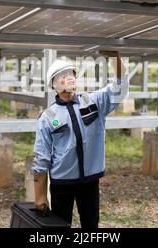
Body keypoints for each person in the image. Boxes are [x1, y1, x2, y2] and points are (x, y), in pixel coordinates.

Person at [32, 51, 128, 228]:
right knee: (59, 227)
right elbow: (41, 158)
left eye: (71, 74)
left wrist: (115, 57)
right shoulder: (47, 116)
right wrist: (40, 195)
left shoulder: (93, 101)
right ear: (54, 84)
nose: (69, 78)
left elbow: (120, 88)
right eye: (63, 76)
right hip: (61, 184)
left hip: (90, 182)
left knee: (91, 226)